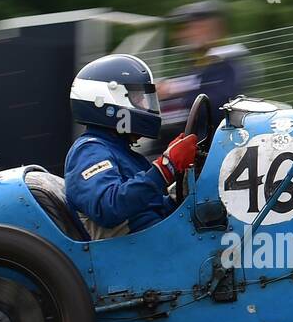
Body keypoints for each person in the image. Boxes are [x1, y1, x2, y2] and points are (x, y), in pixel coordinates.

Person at [65, 54, 197, 239]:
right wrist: (165, 168)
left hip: (158, 241)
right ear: (105, 102)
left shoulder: (124, 153)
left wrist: (180, 193)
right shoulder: (89, 151)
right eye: (137, 99)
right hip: (139, 254)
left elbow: (151, 209)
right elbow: (108, 207)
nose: (145, 105)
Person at [151, 0, 250, 154]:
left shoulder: (227, 63)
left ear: (213, 29)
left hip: (211, 148)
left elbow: (216, 105)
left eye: (193, 27)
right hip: (181, 145)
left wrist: (176, 94)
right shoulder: (197, 65)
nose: (184, 34)